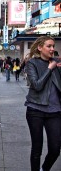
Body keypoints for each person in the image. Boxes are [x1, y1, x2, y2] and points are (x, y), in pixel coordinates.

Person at [25, 36, 61, 171]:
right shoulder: (32, 63)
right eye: (49, 46)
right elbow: (37, 85)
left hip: (55, 111)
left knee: (55, 148)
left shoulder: (56, 63)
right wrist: (50, 68)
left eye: (53, 46)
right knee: (37, 148)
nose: (52, 49)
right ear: (40, 48)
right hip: (36, 110)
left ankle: (44, 168)